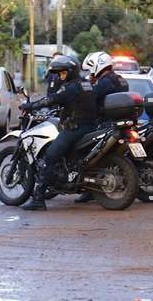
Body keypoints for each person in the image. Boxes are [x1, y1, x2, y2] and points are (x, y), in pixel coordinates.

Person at [19, 55, 98, 211]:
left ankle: (39, 199)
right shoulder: (87, 84)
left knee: (50, 157)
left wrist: (29, 107)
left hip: (75, 129)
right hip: (91, 127)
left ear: (70, 72)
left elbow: (50, 100)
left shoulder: (71, 88)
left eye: (63, 73)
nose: (61, 77)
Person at [74, 51, 129, 203]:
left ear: (98, 65)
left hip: (104, 122)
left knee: (85, 152)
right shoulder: (120, 79)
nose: (90, 71)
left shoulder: (105, 81)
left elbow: (90, 97)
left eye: (91, 68)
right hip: (118, 122)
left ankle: (88, 189)